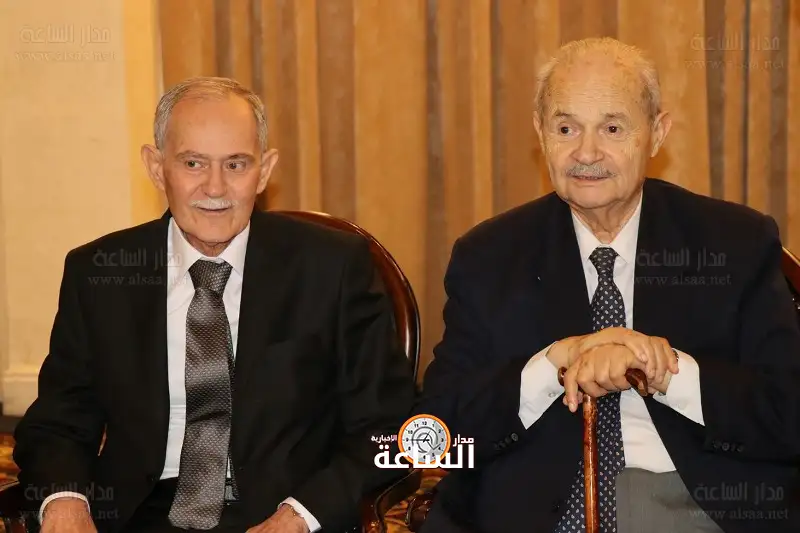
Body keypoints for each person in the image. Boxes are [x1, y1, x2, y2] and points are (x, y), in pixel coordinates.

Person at [416, 37, 800, 533]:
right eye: (566, 128)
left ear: (657, 134)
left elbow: (788, 411)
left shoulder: (734, 242)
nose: (587, 152)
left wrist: (665, 371)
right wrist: (552, 364)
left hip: (692, 508)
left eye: (613, 128)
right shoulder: (488, 256)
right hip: (529, 512)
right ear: (540, 134)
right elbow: (436, 436)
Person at [12, 77, 416, 533]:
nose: (215, 187)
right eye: (193, 163)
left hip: (280, 511)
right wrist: (66, 503)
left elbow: (387, 426)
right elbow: (58, 422)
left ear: (264, 171)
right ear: (156, 167)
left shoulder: (332, 268)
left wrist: (301, 516)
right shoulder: (100, 273)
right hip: (137, 514)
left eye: (236, 164)